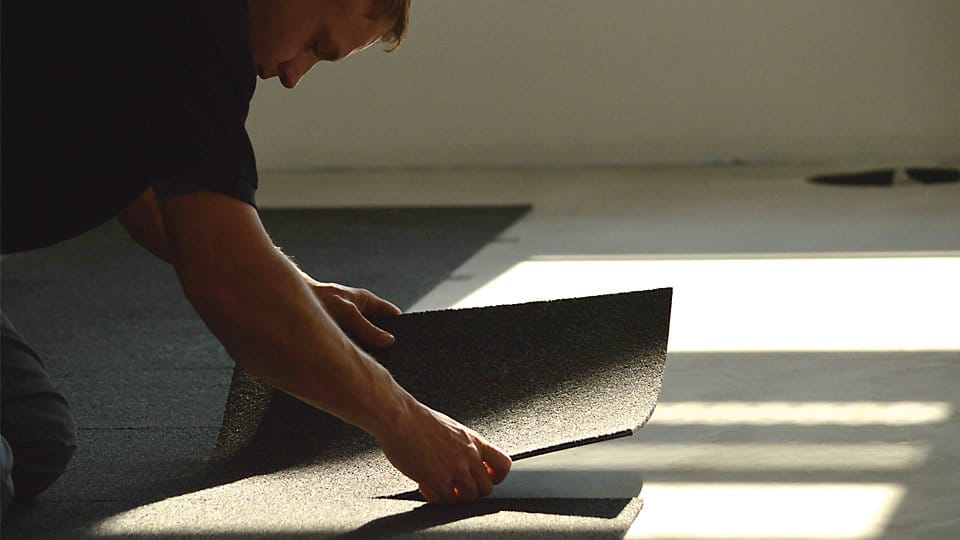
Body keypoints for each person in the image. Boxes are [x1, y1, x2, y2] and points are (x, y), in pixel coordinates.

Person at [0, 0, 511, 518]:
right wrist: (404, 422)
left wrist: (294, 291)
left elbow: (151, 182)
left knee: (34, 440)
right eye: (315, 44)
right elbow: (227, 281)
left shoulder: (193, 39)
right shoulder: (195, 26)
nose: (292, 76)